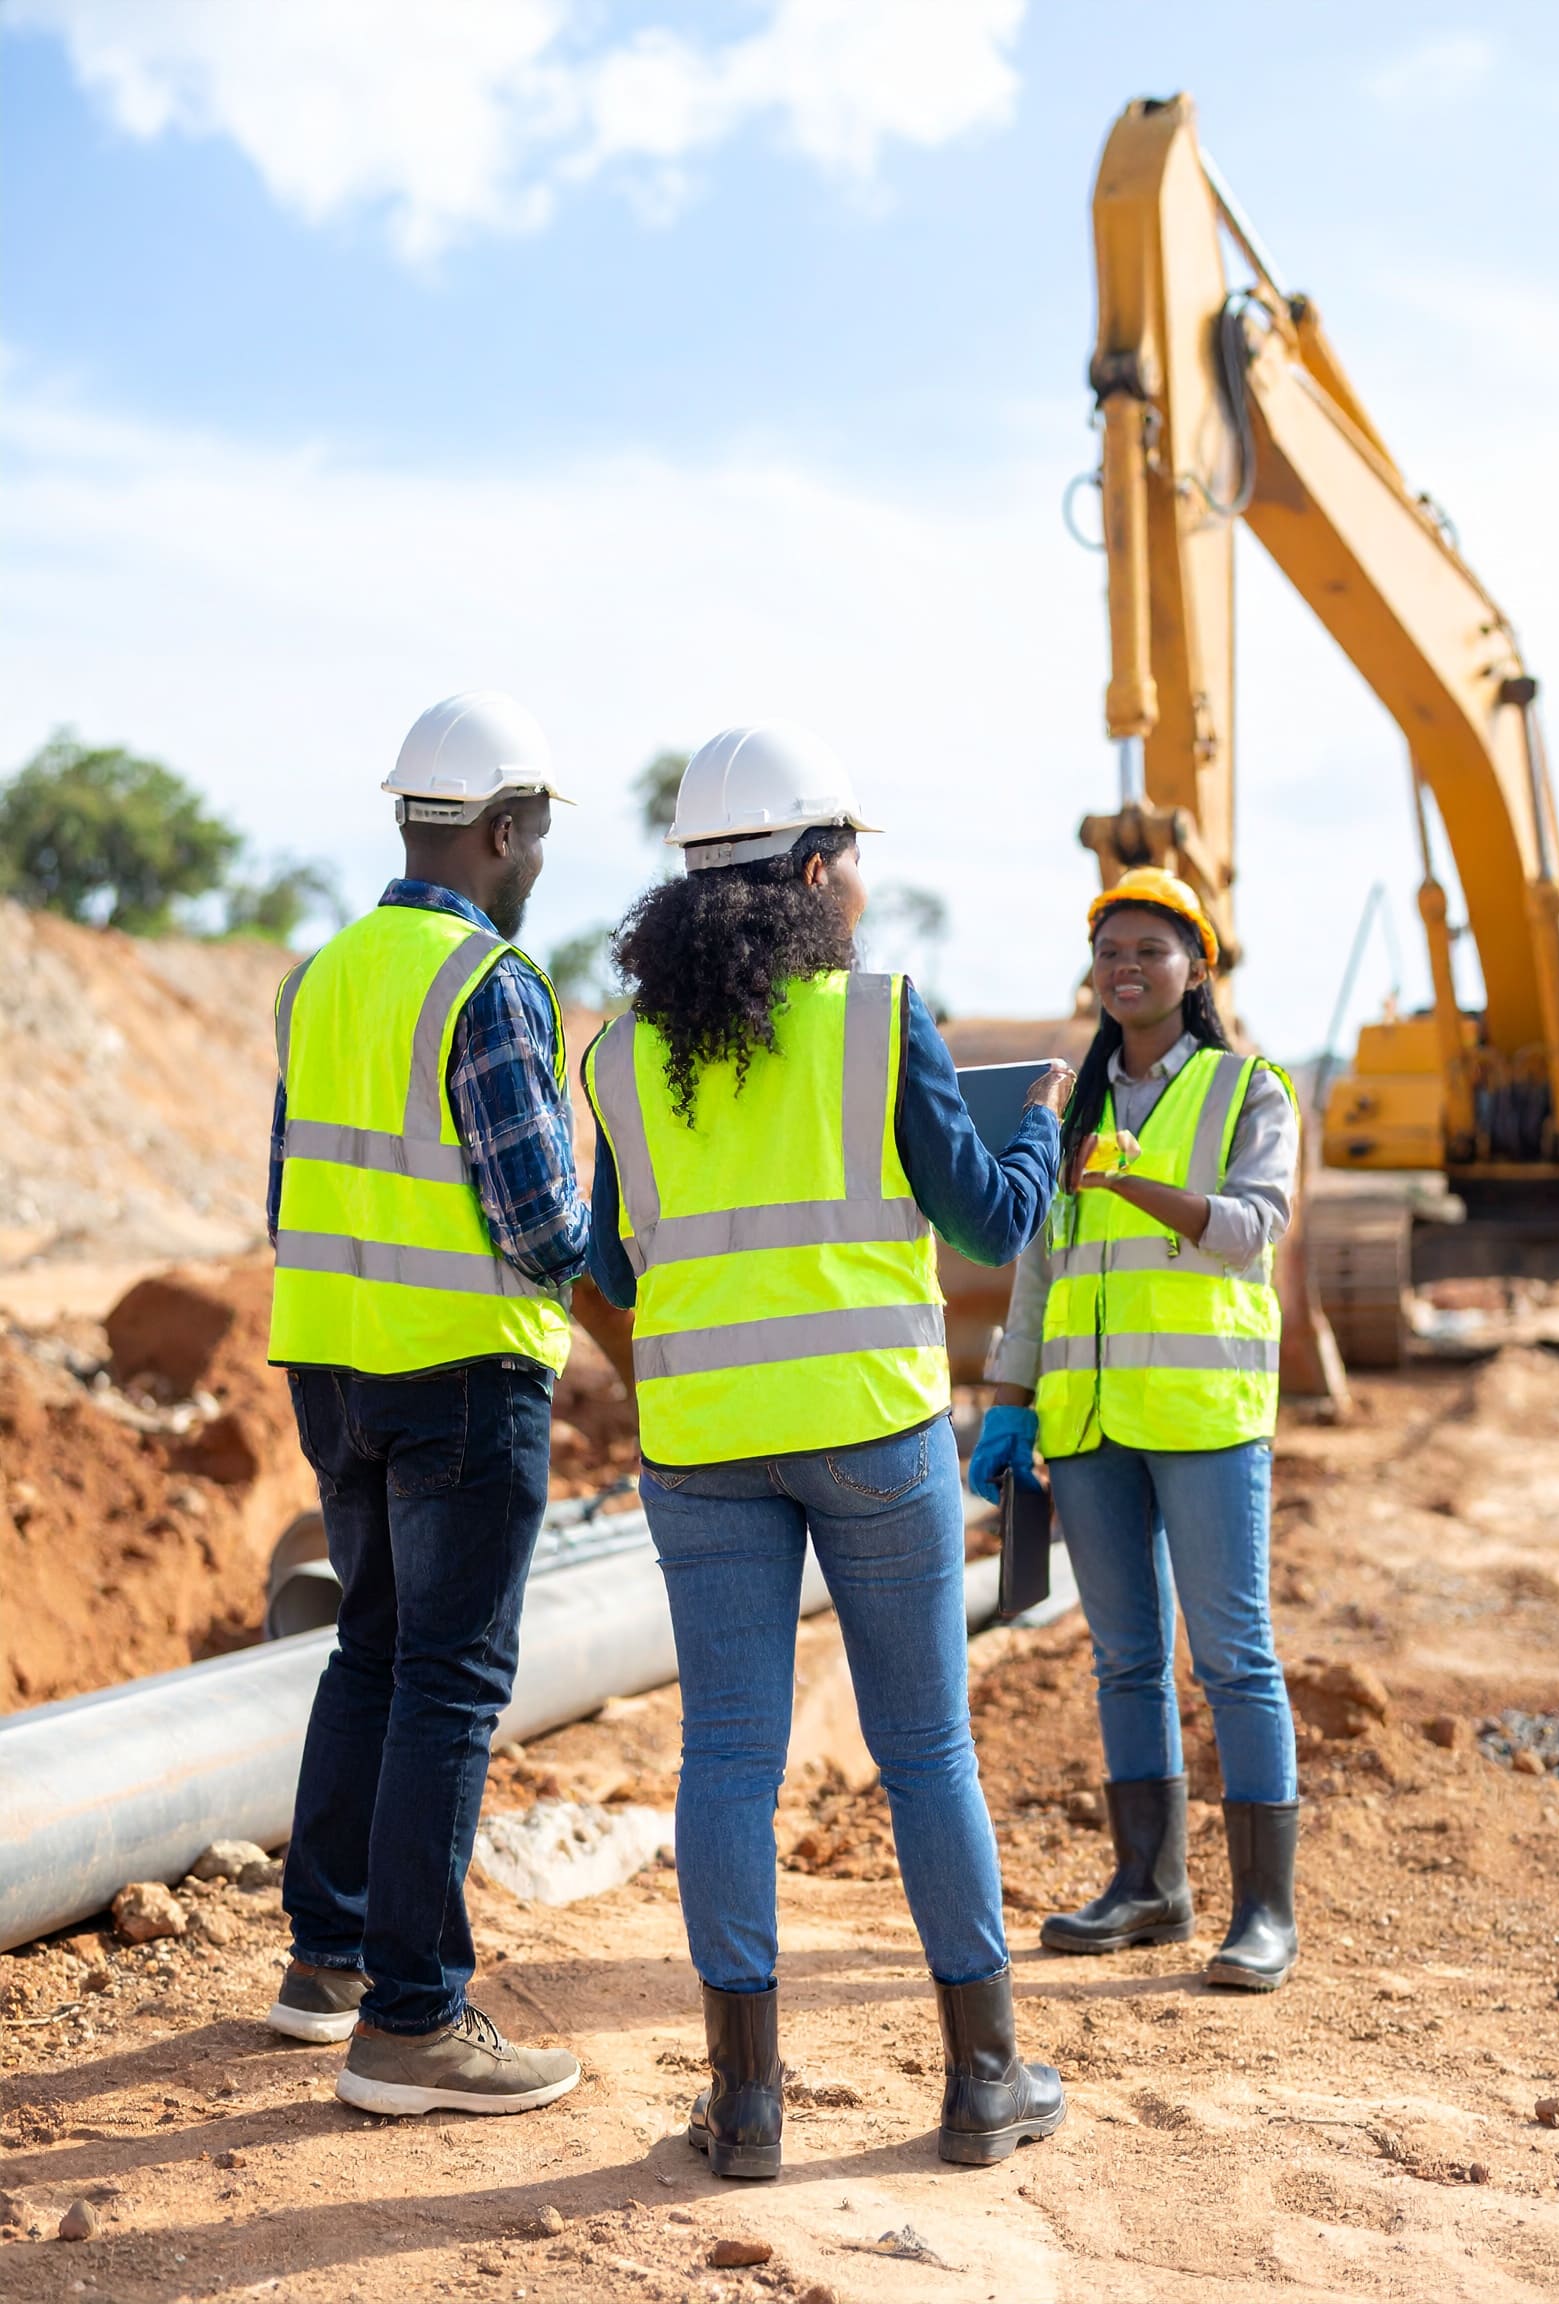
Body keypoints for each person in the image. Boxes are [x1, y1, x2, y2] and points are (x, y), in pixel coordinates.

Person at [583, 722, 1072, 2179]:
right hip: (873, 1433)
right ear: (812, 870)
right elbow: (989, 1221)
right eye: (852, 851)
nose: (863, 877)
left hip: (705, 1446)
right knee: (926, 1749)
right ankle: (984, 2081)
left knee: (726, 1759)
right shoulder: (880, 1017)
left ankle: (744, 2110)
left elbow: (611, 1253)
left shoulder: (614, 1057)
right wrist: (1039, 1130)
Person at [265, 692, 591, 2115]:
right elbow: (538, 1226)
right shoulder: (491, 987)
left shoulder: (323, 975)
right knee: (450, 1681)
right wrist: (618, 1211)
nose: (536, 867)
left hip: (332, 1361)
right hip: (460, 1371)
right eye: (536, 840)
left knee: (375, 1656)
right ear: (504, 829)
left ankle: (326, 1960)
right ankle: (413, 2019)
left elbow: (286, 1190)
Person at [970, 866, 1302, 1991]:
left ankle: (1264, 1911)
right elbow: (1039, 1270)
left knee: (1234, 1659)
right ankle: (1150, 1888)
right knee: (1124, 1661)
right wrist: (1007, 1406)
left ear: (1195, 969)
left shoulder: (1247, 1089)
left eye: (1150, 950)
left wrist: (1132, 1183)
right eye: (1109, 950)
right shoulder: (1070, 1110)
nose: (1126, 968)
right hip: (1091, 1422)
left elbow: (1251, 1229)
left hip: (1204, 1418)